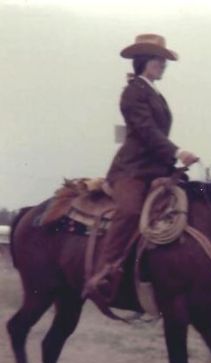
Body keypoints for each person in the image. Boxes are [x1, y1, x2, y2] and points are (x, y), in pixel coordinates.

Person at [83, 34, 199, 305]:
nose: (163, 65)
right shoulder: (133, 92)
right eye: (158, 59)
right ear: (144, 61)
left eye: (163, 60)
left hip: (155, 169)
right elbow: (146, 131)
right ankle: (105, 269)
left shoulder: (153, 92)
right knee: (131, 211)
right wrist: (177, 152)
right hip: (132, 171)